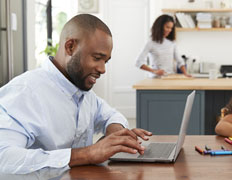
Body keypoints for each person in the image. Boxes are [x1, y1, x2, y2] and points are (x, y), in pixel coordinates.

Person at [0, 14, 152, 174]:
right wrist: (88, 154)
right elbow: (4, 158)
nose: (102, 69)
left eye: (105, 61)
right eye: (97, 58)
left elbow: (111, 115)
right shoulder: (24, 91)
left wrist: (116, 133)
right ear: (70, 47)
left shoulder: (82, 91)